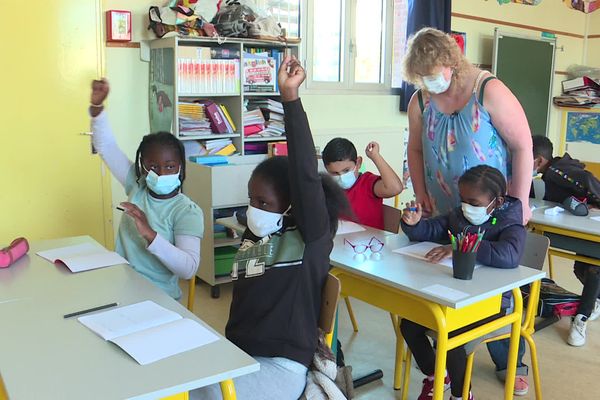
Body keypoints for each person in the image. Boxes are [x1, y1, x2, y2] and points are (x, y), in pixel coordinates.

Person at [192, 56, 351, 400]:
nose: (254, 210)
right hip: (243, 354)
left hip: (281, 366)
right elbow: (244, 308)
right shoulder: (257, 236)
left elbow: (306, 174)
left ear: (293, 204)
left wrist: (290, 99)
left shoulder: (310, 238)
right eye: (252, 200)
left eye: (264, 203)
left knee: (194, 394)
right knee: (181, 380)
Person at [403, 27, 533, 394]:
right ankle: (447, 365)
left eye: (433, 74)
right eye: (421, 77)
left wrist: (519, 205)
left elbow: (522, 146)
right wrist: (421, 192)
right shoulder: (421, 99)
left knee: (492, 288)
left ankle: (511, 362)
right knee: (447, 289)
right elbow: (414, 149)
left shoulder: (486, 90)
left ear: (451, 62)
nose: (428, 82)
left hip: (490, 212)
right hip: (447, 212)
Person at [400, 165, 526, 400]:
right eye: (462, 200)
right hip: (456, 296)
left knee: (452, 337)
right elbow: (433, 229)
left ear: (497, 202)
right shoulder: (459, 215)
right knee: (409, 324)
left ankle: (461, 395)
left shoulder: (510, 222)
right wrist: (415, 224)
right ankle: (436, 377)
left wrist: (461, 247)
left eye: (474, 202)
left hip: (494, 303)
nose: (466, 206)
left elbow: (510, 255)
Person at [89, 79, 204, 300]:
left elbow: (188, 269)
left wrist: (149, 234)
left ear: (181, 166)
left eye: (170, 166)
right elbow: (107, 147)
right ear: (142, 167)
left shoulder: (186, 211)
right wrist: (97, 109)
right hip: (122, 286)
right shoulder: (138, 184)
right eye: (153, 166)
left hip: (158, 298)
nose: (161, 173)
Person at [532, 135, 600, 346]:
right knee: (580, 270)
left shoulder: (559, 171)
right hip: (572, 228)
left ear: (539, 161)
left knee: (591, 269)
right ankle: (593, 301)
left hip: (591, 230)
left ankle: (581, 317)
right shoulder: (548, 173)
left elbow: (589, 181)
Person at [322, 138, 403, 230]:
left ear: (358, 162)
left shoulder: (368, 183)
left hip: (371, 241)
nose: (341, 176)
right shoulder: (329, 189)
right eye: (335, 173)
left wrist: (375, 156)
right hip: (340, 241)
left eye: (346, 170)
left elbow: (395, 188)